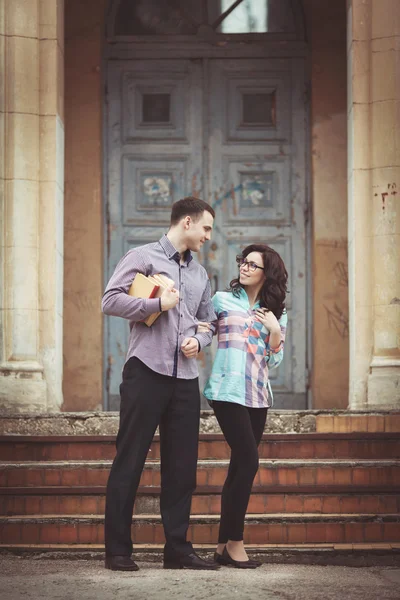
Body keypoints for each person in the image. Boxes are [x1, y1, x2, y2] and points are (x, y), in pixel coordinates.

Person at [102, 196, 220, 572]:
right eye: (206, 228)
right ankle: (118, 551)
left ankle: (178, 550)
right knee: (130, 460)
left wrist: (199, 342)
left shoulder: (200, 274)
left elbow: (209, 322)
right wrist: (157, 306)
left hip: (185, 379)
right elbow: (110, 300)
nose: (208, 236)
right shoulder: (142, 257)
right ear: (187, 222)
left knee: (182, 467)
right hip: (145, 371)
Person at [202, 244, 288, 568]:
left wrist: (276, 330)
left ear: (268, 274)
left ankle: (222, 545)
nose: (245, 268)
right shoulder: (222, 301)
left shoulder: (275, 312)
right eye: (243, 262)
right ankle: (236, 543)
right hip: (226, 390)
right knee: (250, 461)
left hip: (257, 395)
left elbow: (274, 360)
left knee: (238, 467)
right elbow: (205, 329)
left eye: (253, 264)